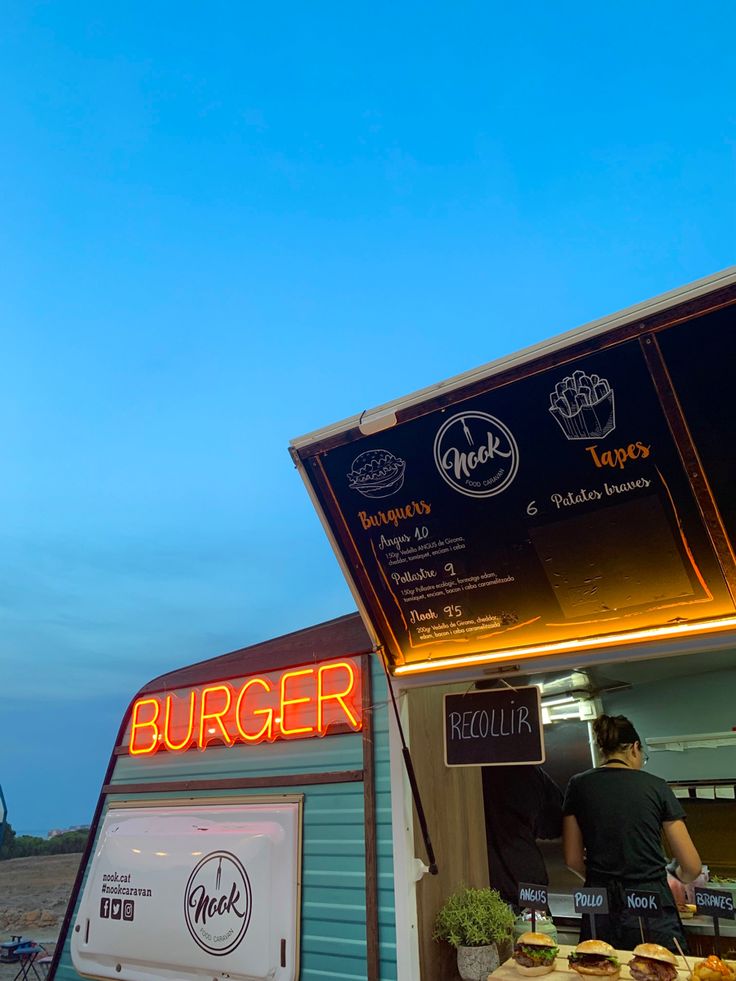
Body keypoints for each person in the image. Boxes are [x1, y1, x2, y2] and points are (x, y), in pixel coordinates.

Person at [562, 714, 702, 952]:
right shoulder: (656, 786)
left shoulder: (578, 785)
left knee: (600, 972)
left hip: (599, 904)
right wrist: (676, 877)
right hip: (650, 901)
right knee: (658, 971)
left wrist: (603, 879)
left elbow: (573, 860)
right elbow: (692, 866)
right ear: (635, 748)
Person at [483, 764, 563, 908]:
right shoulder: (530, 772)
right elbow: (555, 825)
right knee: (536, 928)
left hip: (486, 878)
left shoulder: (469, 770)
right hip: (526, 877)